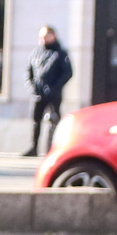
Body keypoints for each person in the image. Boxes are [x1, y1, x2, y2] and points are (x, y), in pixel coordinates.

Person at [29, 25, 73, 158]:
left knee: (54, 121)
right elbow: (29, 71)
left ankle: (52, 148)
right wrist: (32, 86)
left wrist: (55, 88)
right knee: (36, 120)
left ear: (53, 36)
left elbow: (68, 72)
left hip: (54, 95)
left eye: (46, 36)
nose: (43, 40)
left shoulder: (60, 53)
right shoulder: (36, 52)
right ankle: (34, 147)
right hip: (38, 94)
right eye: (41, 37)